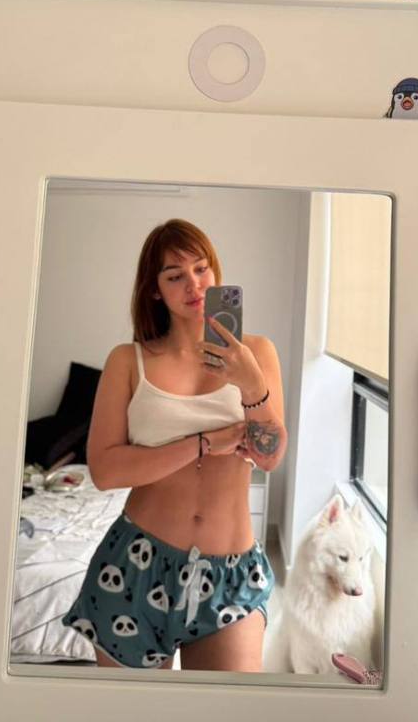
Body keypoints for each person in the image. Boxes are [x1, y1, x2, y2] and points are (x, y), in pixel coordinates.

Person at [63, 219, 287, 672]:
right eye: (175, 275)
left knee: (230, 706)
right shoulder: (128, 360)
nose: (194, 284)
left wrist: (251, 386)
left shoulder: (257, 353)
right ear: (154, 290)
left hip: (231, 572)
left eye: (202, 269)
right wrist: (204, 443)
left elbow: (268, 457)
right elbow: (105, 471)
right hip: (134, 567)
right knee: (135, 709)